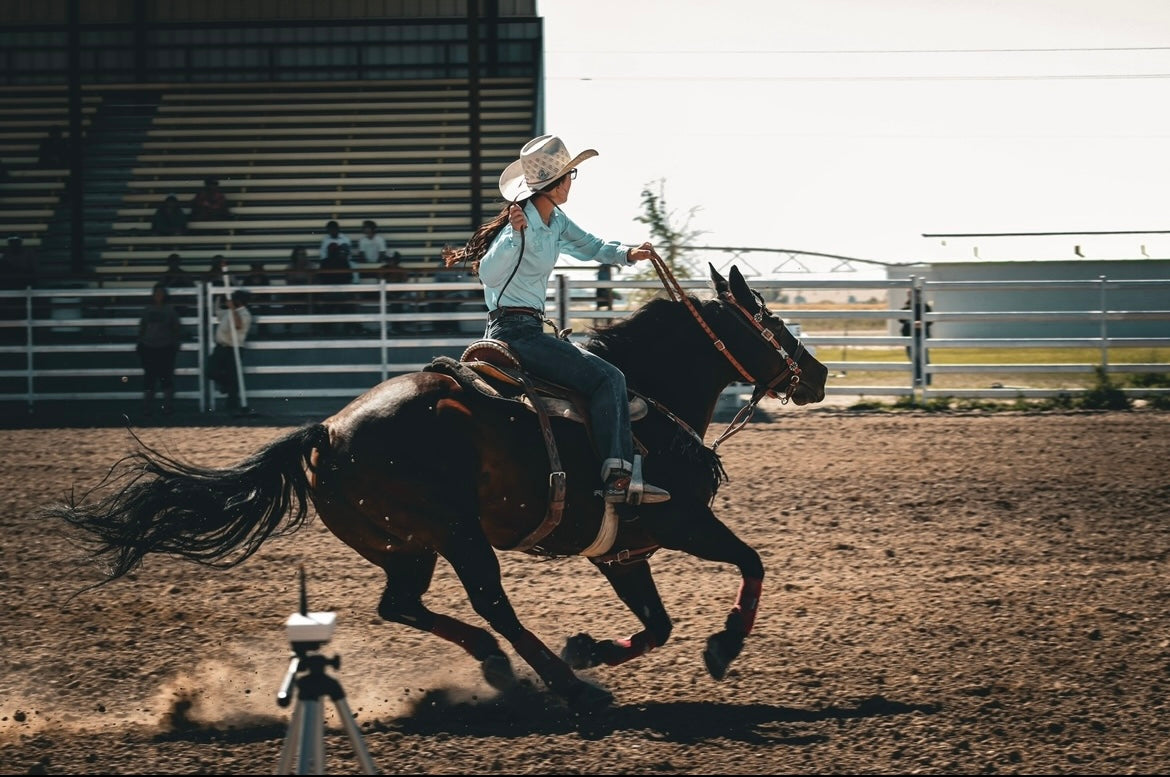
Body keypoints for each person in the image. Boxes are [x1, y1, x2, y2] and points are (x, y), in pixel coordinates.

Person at [442, 134, 669, 506]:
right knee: (609, 377)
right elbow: (488, 272)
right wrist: (514, 236)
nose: (571, 182)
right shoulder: (517, 227)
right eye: (569, 175)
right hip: (516, 334)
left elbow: (591, 246)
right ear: (555, 183)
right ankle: (618, 475)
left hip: (524, 329)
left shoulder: (556, 221)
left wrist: (627, 253)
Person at [136, 283, 183, 416]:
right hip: (148, 347)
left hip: (165, 347)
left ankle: (168, 406)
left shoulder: (170, 311)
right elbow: (142, 327)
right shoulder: (147, 310)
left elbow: (176, 328)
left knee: (166, 377)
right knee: (149, 377)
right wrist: (140, 342)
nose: (158, 296)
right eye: (156, 293)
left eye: (161, 293)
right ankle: (146, 406)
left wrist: (174, 343)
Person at [207, 289, 253, 414]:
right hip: (221, 346)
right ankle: (226, 385)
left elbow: (238, 325)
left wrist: (232, 309)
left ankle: (232, 406)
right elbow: (217, 312)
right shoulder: (228, 312)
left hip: (234, 348)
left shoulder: (245, 315)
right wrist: (218, 298)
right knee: (210, 370)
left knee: (233, 377)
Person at [899, 290, 934, 387]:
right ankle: (917, 380)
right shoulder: (907, 307)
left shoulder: (925, 307)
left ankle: (926, 381)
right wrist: (912, 323)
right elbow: (901, 319)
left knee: (923, 359)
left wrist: (921, 323)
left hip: (921, 335)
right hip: (909, 336)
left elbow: (930, 320)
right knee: (913, 360)